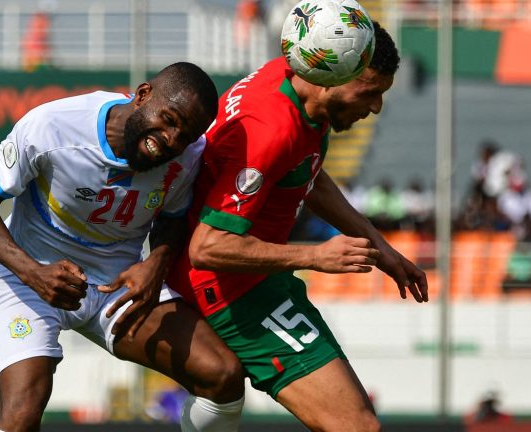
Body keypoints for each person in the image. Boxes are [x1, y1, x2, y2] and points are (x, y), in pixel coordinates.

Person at [166, 23, 428, 432]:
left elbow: (308, 176)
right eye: (370, 91)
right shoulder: (273, 130)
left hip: (255, 278)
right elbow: (209, 246)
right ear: (334, 78)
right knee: (356, 427)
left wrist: (381, 248)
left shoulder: (289, 82)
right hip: (232, 290)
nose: (376, 106)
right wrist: (315, 255)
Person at [0, 62, 245, 432]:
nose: (172, 140)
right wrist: (34, 273)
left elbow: (173, 217)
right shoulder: (52, 126)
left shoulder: (188, 156)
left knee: (223, 375)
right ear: (142, 95)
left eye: (186, 135)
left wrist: (156, 263)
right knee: (20, 415)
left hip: (116, 284)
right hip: (27, 276)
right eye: (169, 120)